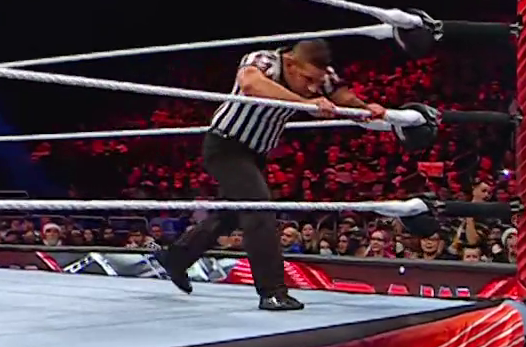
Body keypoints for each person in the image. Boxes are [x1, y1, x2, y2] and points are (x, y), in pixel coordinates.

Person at [153, 39, 386, 310]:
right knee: (259, 211)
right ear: (291, 64)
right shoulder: (264, 61)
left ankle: (176, 258)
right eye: (308, 80)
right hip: (226, 146)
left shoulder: (319, 75)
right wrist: (305, 103)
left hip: (256, 153)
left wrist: (365, 108)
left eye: (317, 82)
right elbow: (251, 84)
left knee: (229, 216)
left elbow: (340, 95)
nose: (313, 87)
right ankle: (272, 291)